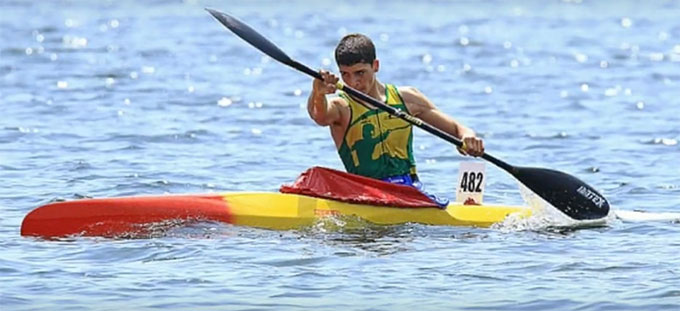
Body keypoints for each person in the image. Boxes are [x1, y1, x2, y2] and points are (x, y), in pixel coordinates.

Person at [306, 33, 484, 207]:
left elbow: (456, 129)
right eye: (345, 74)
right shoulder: (342, 106)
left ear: (375, 66)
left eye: (360, 73)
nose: (353, 83)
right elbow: (319, 116)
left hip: (409, 191)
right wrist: (318, 93)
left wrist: (468, 136)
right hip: (365, 194)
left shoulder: (407, 98)